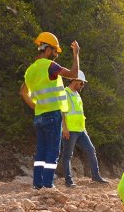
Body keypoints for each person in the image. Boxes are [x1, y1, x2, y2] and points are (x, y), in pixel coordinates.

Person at [19, 31, 80, 189]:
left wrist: (35, 106)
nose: (55, 55)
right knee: (52, 151)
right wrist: (76, 54)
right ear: (47, 49)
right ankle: (47, 185)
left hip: (39, 116)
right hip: (53, 115)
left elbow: (23, 92)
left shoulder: (30, 70)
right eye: (54, 51)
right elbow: (74, 74)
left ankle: (37, 184)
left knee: (41, 151)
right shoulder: (50, 66)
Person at [61, 70, 108, 186]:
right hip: (70, 130)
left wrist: (84, 128)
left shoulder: (77, 95)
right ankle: (68, 181)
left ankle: (96, 176)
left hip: (81, 130)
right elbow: (61, 112)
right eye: (81, 83)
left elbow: (79, 113)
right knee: (67, 155)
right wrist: (65, 128)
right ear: (75, 80)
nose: (82, 85)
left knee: (91, 150)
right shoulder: (65, 93)